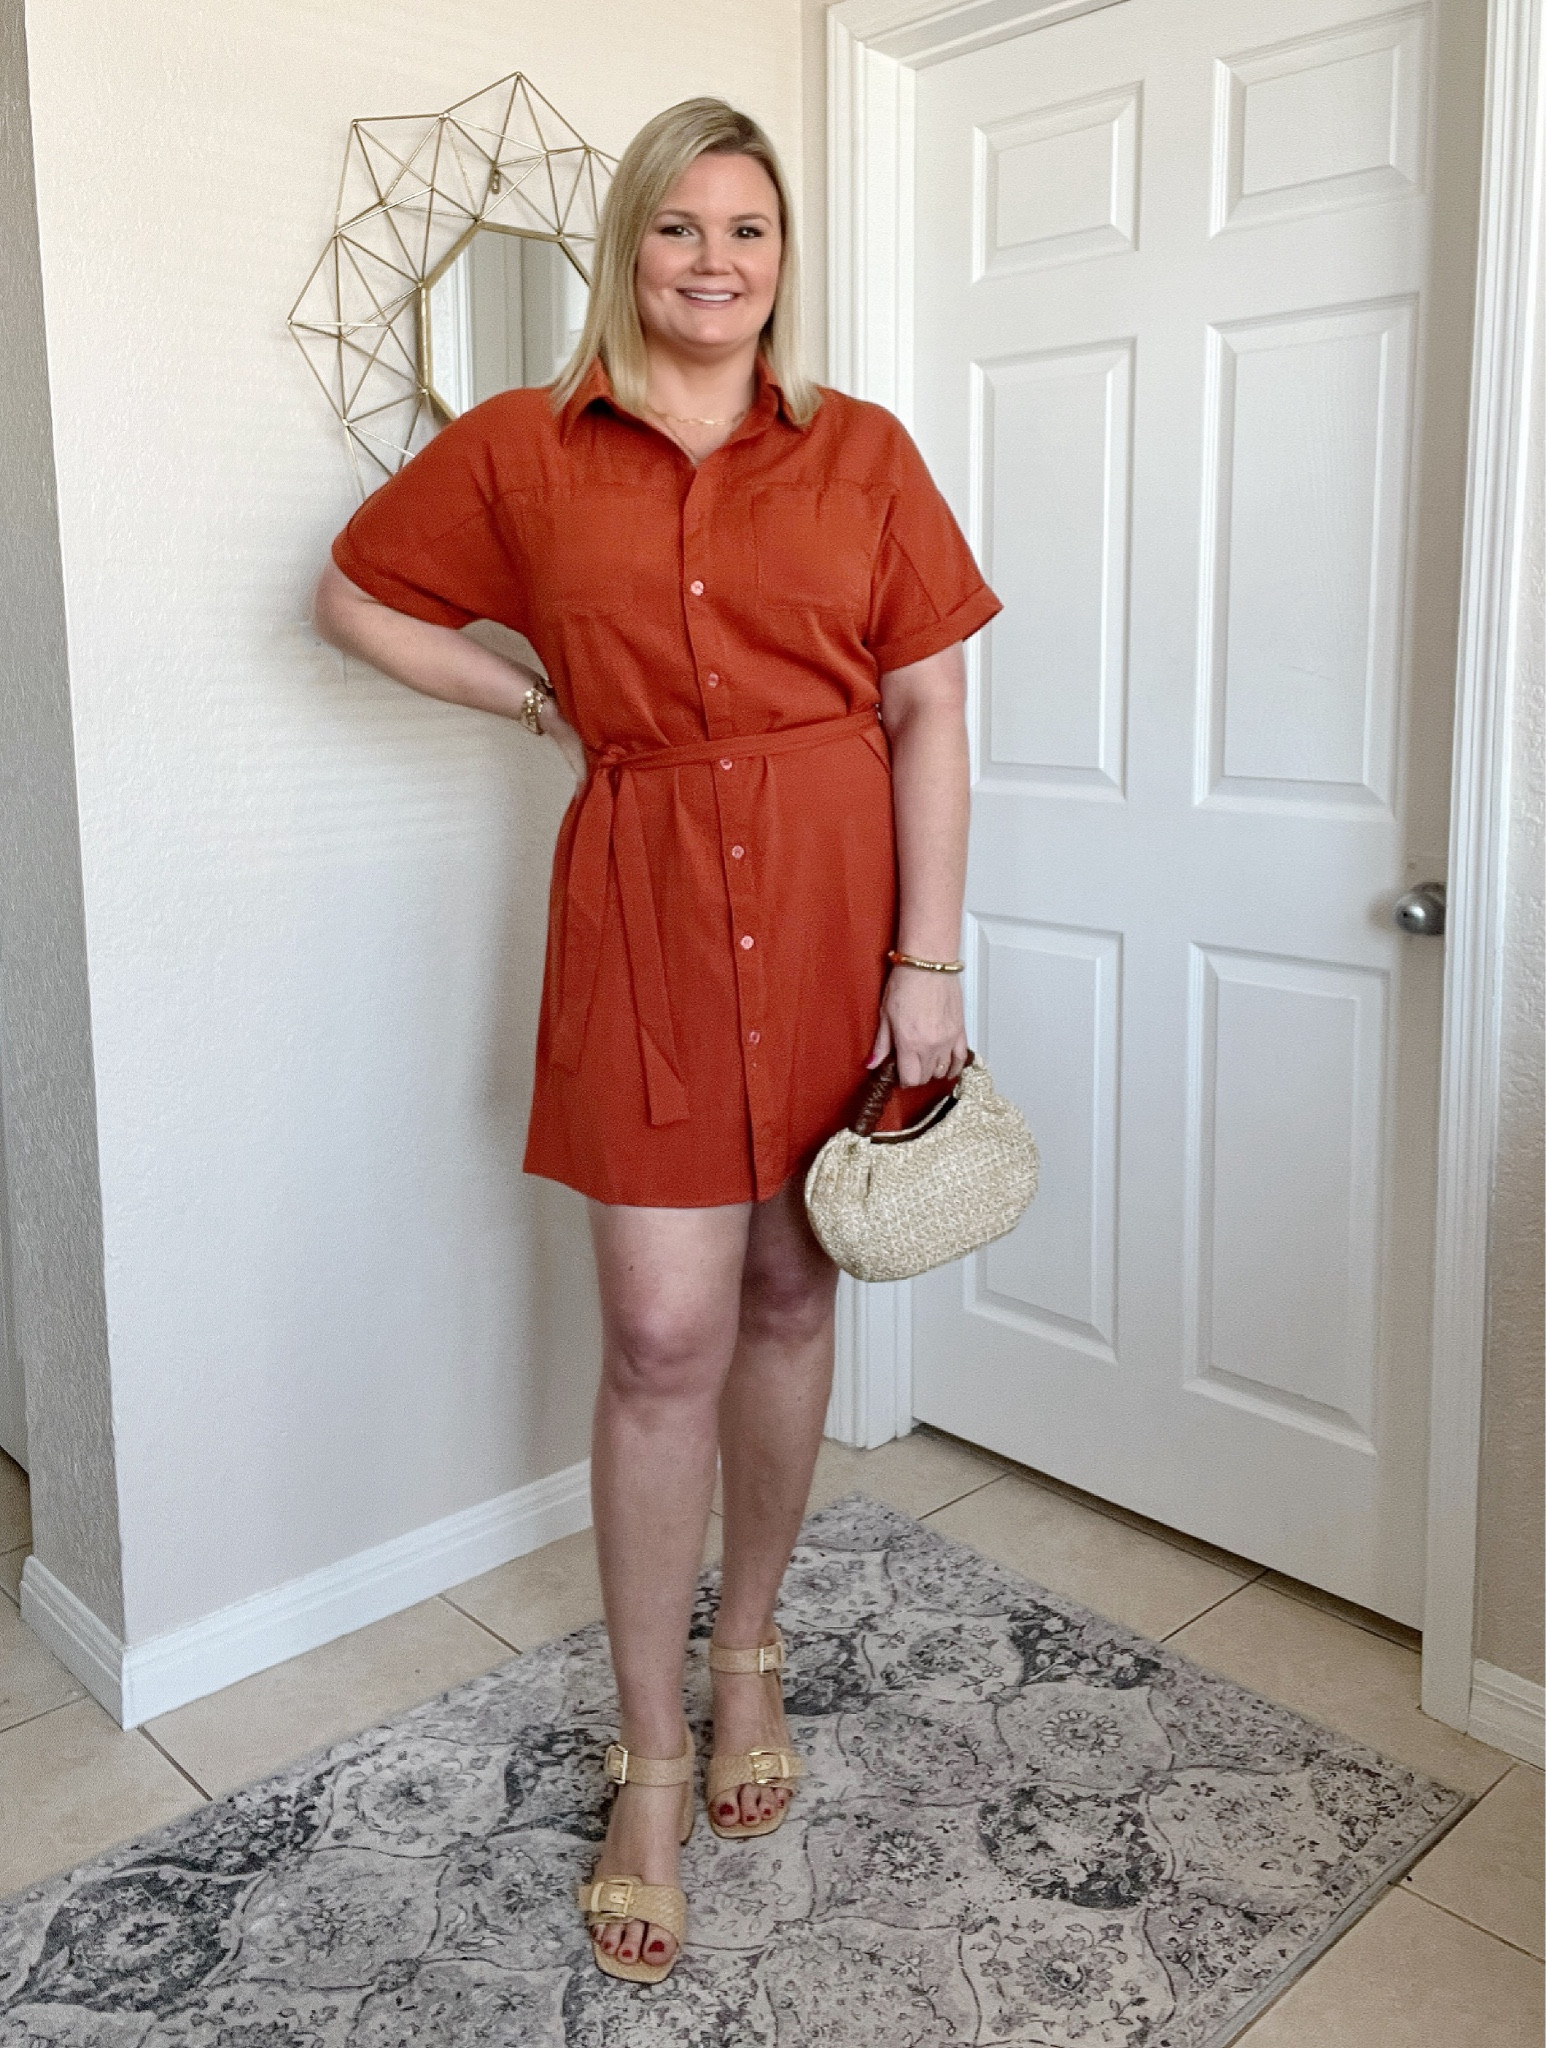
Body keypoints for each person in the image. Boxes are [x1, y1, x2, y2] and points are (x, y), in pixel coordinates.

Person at [313, 96, 1000, 1985]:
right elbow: (354, 593)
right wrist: (529, 697)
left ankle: (750, 1650)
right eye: (680, 228)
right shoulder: (525, 452)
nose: (714, 262)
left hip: (837, 909)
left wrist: (923, 966)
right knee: (662, 1328)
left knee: (792, 1294)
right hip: (640, 915)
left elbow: (929, 708)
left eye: (749, 232)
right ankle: (646, 1752)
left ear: (786, 262)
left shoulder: (859, 454)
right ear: (630, 249)